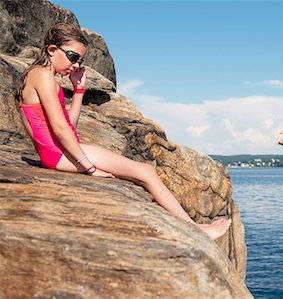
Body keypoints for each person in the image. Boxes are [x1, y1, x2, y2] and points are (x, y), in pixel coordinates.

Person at [17, 23, 231, 240]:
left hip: (59, 151)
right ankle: (197, 231)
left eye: (80, 60)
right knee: (146, 172)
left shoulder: (40, 76)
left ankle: (194, 227)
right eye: (72, 56)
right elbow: (61, 130)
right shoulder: (42, 75)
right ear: (53, 50)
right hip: (58, 154)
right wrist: (89, 168)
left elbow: (67, 125)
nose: (75, 65)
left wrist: (78, 90)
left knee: (143, 173)